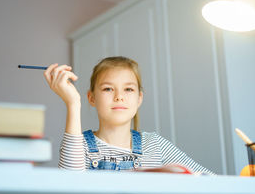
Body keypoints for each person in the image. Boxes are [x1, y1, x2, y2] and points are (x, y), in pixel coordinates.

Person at [44, 56, 214, 174]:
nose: (119, 96)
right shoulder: (78, 145)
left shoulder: (155, 145)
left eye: (128, 89)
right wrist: (73, 103)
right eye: (108, 88)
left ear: (139, 98)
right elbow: (69, 186)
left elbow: (208, 181)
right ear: (91, 98)